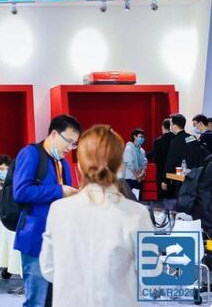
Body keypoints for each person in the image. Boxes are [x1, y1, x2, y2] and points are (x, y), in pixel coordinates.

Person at [39, 125, 153, 307]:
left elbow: (48, 268)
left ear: (80, 166)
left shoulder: (58, 210)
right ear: (120, 165)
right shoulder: (137, 214)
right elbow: (150, 273)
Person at [14, 114, 81, 307]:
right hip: (35, 237)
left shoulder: (63, 163)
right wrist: (59, 191)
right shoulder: (31, 154)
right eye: (68, 141)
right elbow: (21, 192)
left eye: (74, 144)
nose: (70, 148)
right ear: (54, 134)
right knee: (36, 300)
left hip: (59, 238)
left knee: (55, 299)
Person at [151, 118, 174, 199]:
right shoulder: (175, 139)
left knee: (162, 201)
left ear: (163, 127)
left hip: (161, 175)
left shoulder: (158, 142)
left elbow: (156, 160)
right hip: (175, 175)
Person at [122, 128, 147, 196]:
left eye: (143, 137)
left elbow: (144, 164)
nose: (142, 139)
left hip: (139, 180)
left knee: (138, 199)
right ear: (135, 137)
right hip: (129, 179)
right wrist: (137, 176)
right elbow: (129, 164)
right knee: (130, 199)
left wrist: (142, 174)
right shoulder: (128, 148)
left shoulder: (142, 150)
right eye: (140, 137)